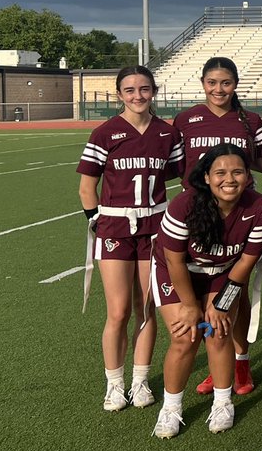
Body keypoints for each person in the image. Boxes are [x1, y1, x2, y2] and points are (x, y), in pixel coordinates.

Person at [77, 65, 183, 412]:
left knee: (147, 307)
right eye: (130, 90)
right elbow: (86, 187)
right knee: (118, 311)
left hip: (154, 226)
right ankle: (114, 383)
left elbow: (181, 177)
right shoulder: (105, 132)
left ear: (154, 91)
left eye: (144, 89)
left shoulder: (167, 134)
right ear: (119, 94)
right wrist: (98, 220)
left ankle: (139, 381)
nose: (138, 96)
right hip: (116, 227)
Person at [149, 144, 262, 438]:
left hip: (225, 274)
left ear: (248, 176)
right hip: (178, 272)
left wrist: (222, 304)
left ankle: (222, 402)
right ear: (206, 177)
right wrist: (190, 305)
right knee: (185, 336)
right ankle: (171, 408)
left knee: (218, 331)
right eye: (220, 173)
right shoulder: (184, 205)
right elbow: (174, 259)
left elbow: (246, 261)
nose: (229, 179)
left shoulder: (258, 208)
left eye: (237, 172)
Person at [175, 56, 262, 396]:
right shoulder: (186, 120)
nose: (219, 89)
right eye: (213, 83)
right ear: (203, 83)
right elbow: (175, 166)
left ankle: (239, 361)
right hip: (198, 216)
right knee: (202, 293)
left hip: (241, 211)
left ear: (235, 85)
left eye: (226, 83)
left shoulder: (250, 121)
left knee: (236, 291)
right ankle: (219, 364)